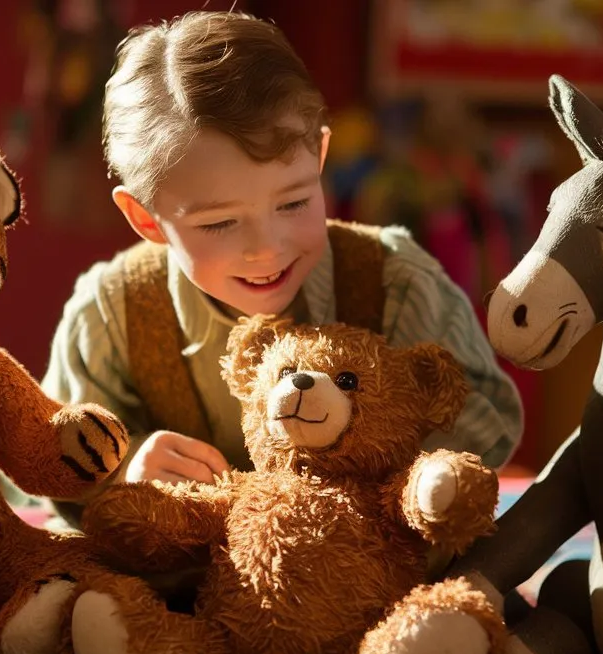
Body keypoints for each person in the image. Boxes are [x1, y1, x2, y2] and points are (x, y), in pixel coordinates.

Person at [35, 9, 523, 531]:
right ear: (145, 218)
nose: (266, 249)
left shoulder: (394, 282)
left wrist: (393, 477)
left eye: (292, 204)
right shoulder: (113, 313)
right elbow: (49, 460)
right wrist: (126, 474)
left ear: (319, 157)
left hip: (364, 579)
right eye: (220, 223)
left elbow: (487, 420)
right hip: (177, 593)